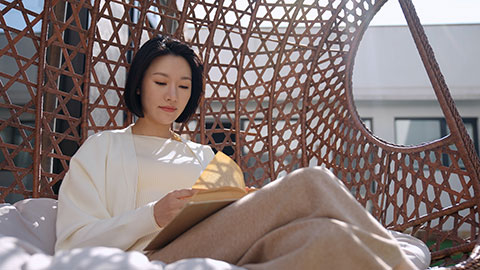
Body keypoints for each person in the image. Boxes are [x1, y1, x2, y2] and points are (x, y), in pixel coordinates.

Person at [55, 36, 421, 269]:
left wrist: (241, 204)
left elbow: (228, 215)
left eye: (184, 86)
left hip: (225, 243)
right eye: (161, 82)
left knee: (327, 239)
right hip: (153, 256)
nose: (172, 95)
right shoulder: (104, 148)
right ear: (138, 86)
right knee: (312, 180)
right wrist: (153, 215)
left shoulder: (207, 157)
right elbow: (72, 243)